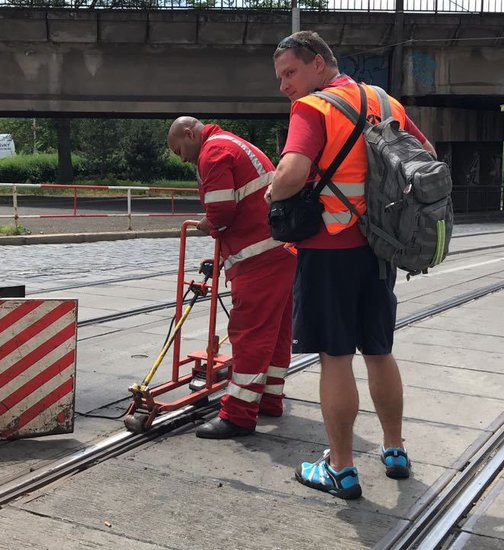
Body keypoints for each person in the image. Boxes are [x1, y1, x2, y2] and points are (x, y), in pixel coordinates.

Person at [268, 31, 434, 499]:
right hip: (380, 250)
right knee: (379, 351)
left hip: (327, 249)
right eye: (281, 77)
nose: (284, 85)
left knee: (335, 357)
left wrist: (272, 192)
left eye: (290, 72)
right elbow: (428, 160)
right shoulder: (387, 103)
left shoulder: (313, 108)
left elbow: (292, 172)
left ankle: (340, 469)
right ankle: (395, 449)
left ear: (319, 63)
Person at [167, 117, 297, 439]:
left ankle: (238, 414)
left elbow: (222, 211)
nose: (182, 158)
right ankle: (269, 397)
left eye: (179, 149)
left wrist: (206, 224)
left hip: (258, 258)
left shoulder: (213, 152)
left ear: (189, 134)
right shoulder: (236, 144)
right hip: (280, 251)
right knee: (276, 331)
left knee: (248, 333)